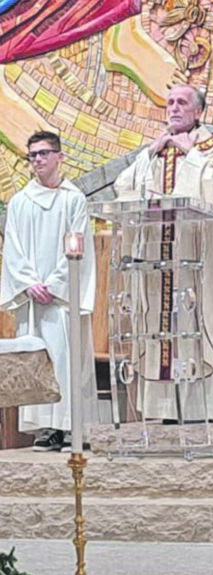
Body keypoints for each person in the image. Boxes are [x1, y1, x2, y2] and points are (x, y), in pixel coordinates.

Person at [113, 84, 213, 421]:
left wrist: (191, 155)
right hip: (158, 259)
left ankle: (204, 407)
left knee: (197, 317)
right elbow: (123, 188)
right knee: (160, 322)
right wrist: (150, 156)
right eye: (169, 102)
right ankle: (166, 407)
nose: (174, 108)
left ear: (199, 112)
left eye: (182, 103)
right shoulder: (155, 151)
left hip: (197, 260)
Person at [0, 130, 98, 451]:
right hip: (33, 299)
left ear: (60, 157)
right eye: (33, 155)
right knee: (38, 358)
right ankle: (46, 429)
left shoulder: (73, 199)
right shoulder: (20, 202)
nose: (38, 160)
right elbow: (12, 248)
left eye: (44, 153)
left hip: (62, 298)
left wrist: (56, 284)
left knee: (67, 358)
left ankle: (71, 427)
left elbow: (78, 245)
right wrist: (29, 283)